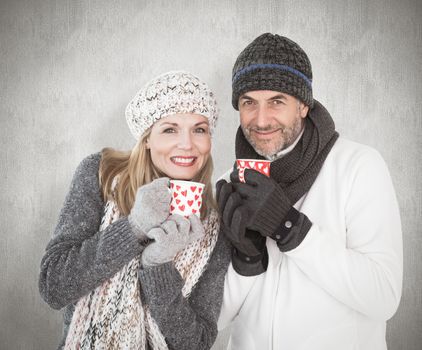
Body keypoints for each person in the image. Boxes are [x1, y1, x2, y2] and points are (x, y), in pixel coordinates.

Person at [216, 33, 402, 349]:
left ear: (303, 105)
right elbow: (214, 320)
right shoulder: (230, 184)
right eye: (249, 102)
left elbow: (383, 297)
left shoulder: (358, 167)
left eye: (277, 101)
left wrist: (289, 227)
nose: (261, 120)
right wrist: (245, 259)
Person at [39, 71, 231, 350]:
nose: (187, 144)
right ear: (147, 139)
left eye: (199, 129)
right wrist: (133, 229)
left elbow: (196, 343)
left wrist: (157, 267)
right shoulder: (101, 175)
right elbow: (53, 287)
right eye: (170, 129)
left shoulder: (213, 228)